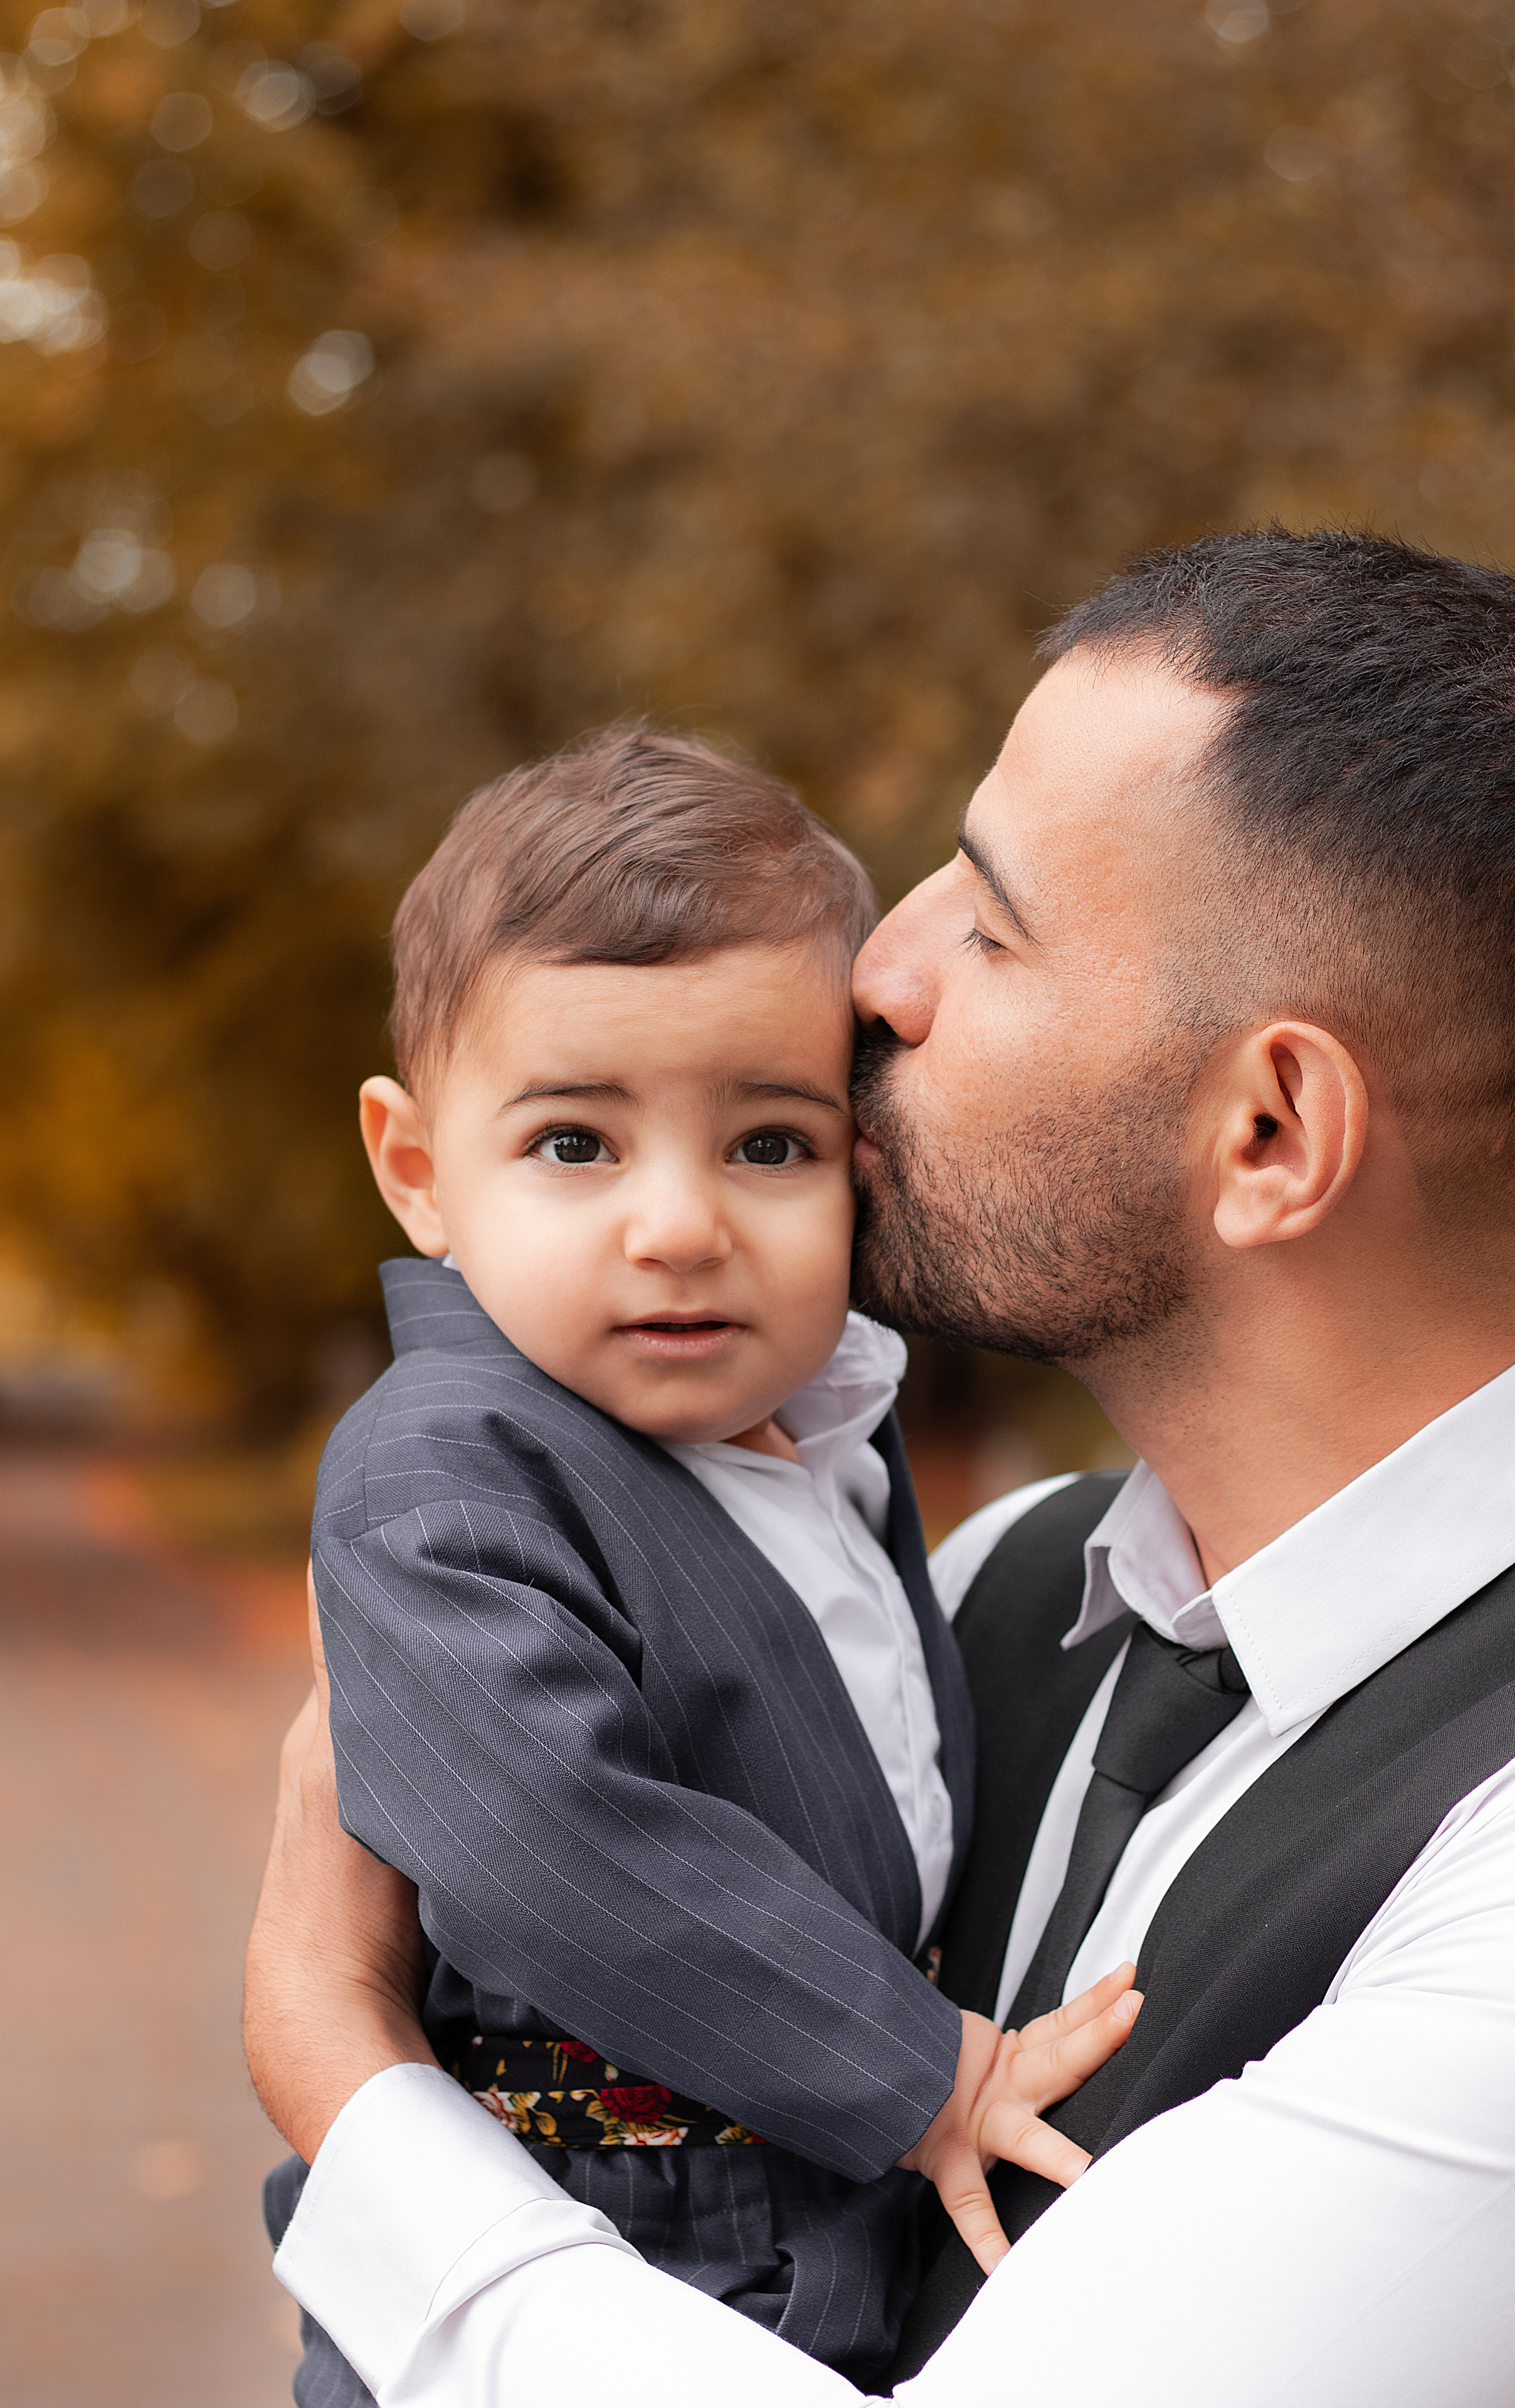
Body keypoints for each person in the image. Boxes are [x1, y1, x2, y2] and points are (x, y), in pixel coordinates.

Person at [248, 530, 1515, 2407]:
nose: (874, 974)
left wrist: (346, 2069)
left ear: (1273, 1127)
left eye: (991, 916)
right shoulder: (995, 1582)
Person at [265, 726, 1143, 2407]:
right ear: (418, 1169)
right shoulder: (444, 1470)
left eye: (767, 1146)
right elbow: (553, 1843)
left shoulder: (816, 1430)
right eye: (576, 1146)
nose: (677, 1226)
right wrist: (924, 2074)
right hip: (615, 2217)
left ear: (856, 1166)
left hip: (810, 2225)